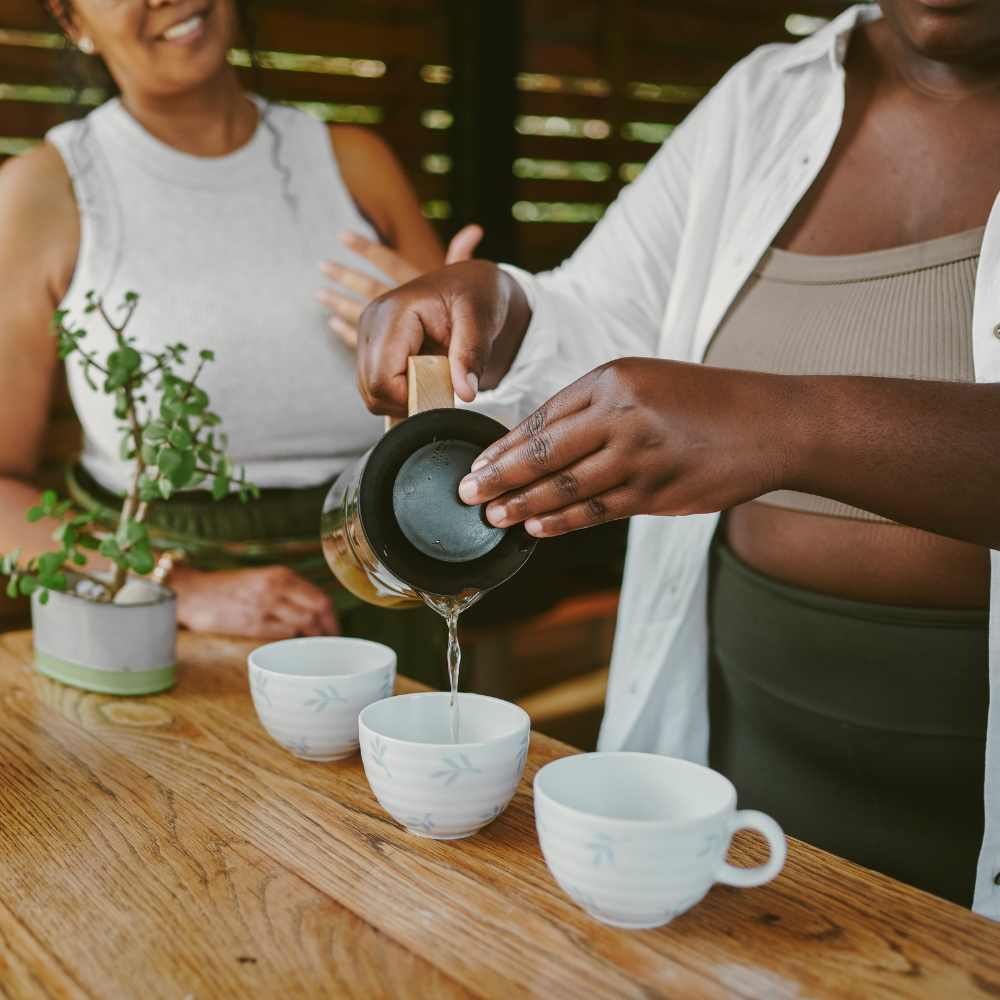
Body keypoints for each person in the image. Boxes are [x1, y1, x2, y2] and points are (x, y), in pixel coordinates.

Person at [355, 1, 1000, 914]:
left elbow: (763, 418)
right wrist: (500, 304)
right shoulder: (764, 100)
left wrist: (789, 425)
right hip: (752, 763)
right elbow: (601, 305)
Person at [0, 0, 478, 683]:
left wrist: (448, 353)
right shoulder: (42, 194)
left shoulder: (355, 165)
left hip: (389, 597)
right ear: (72, 21)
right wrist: (183, 589)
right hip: (159, 633)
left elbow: (455, 422)